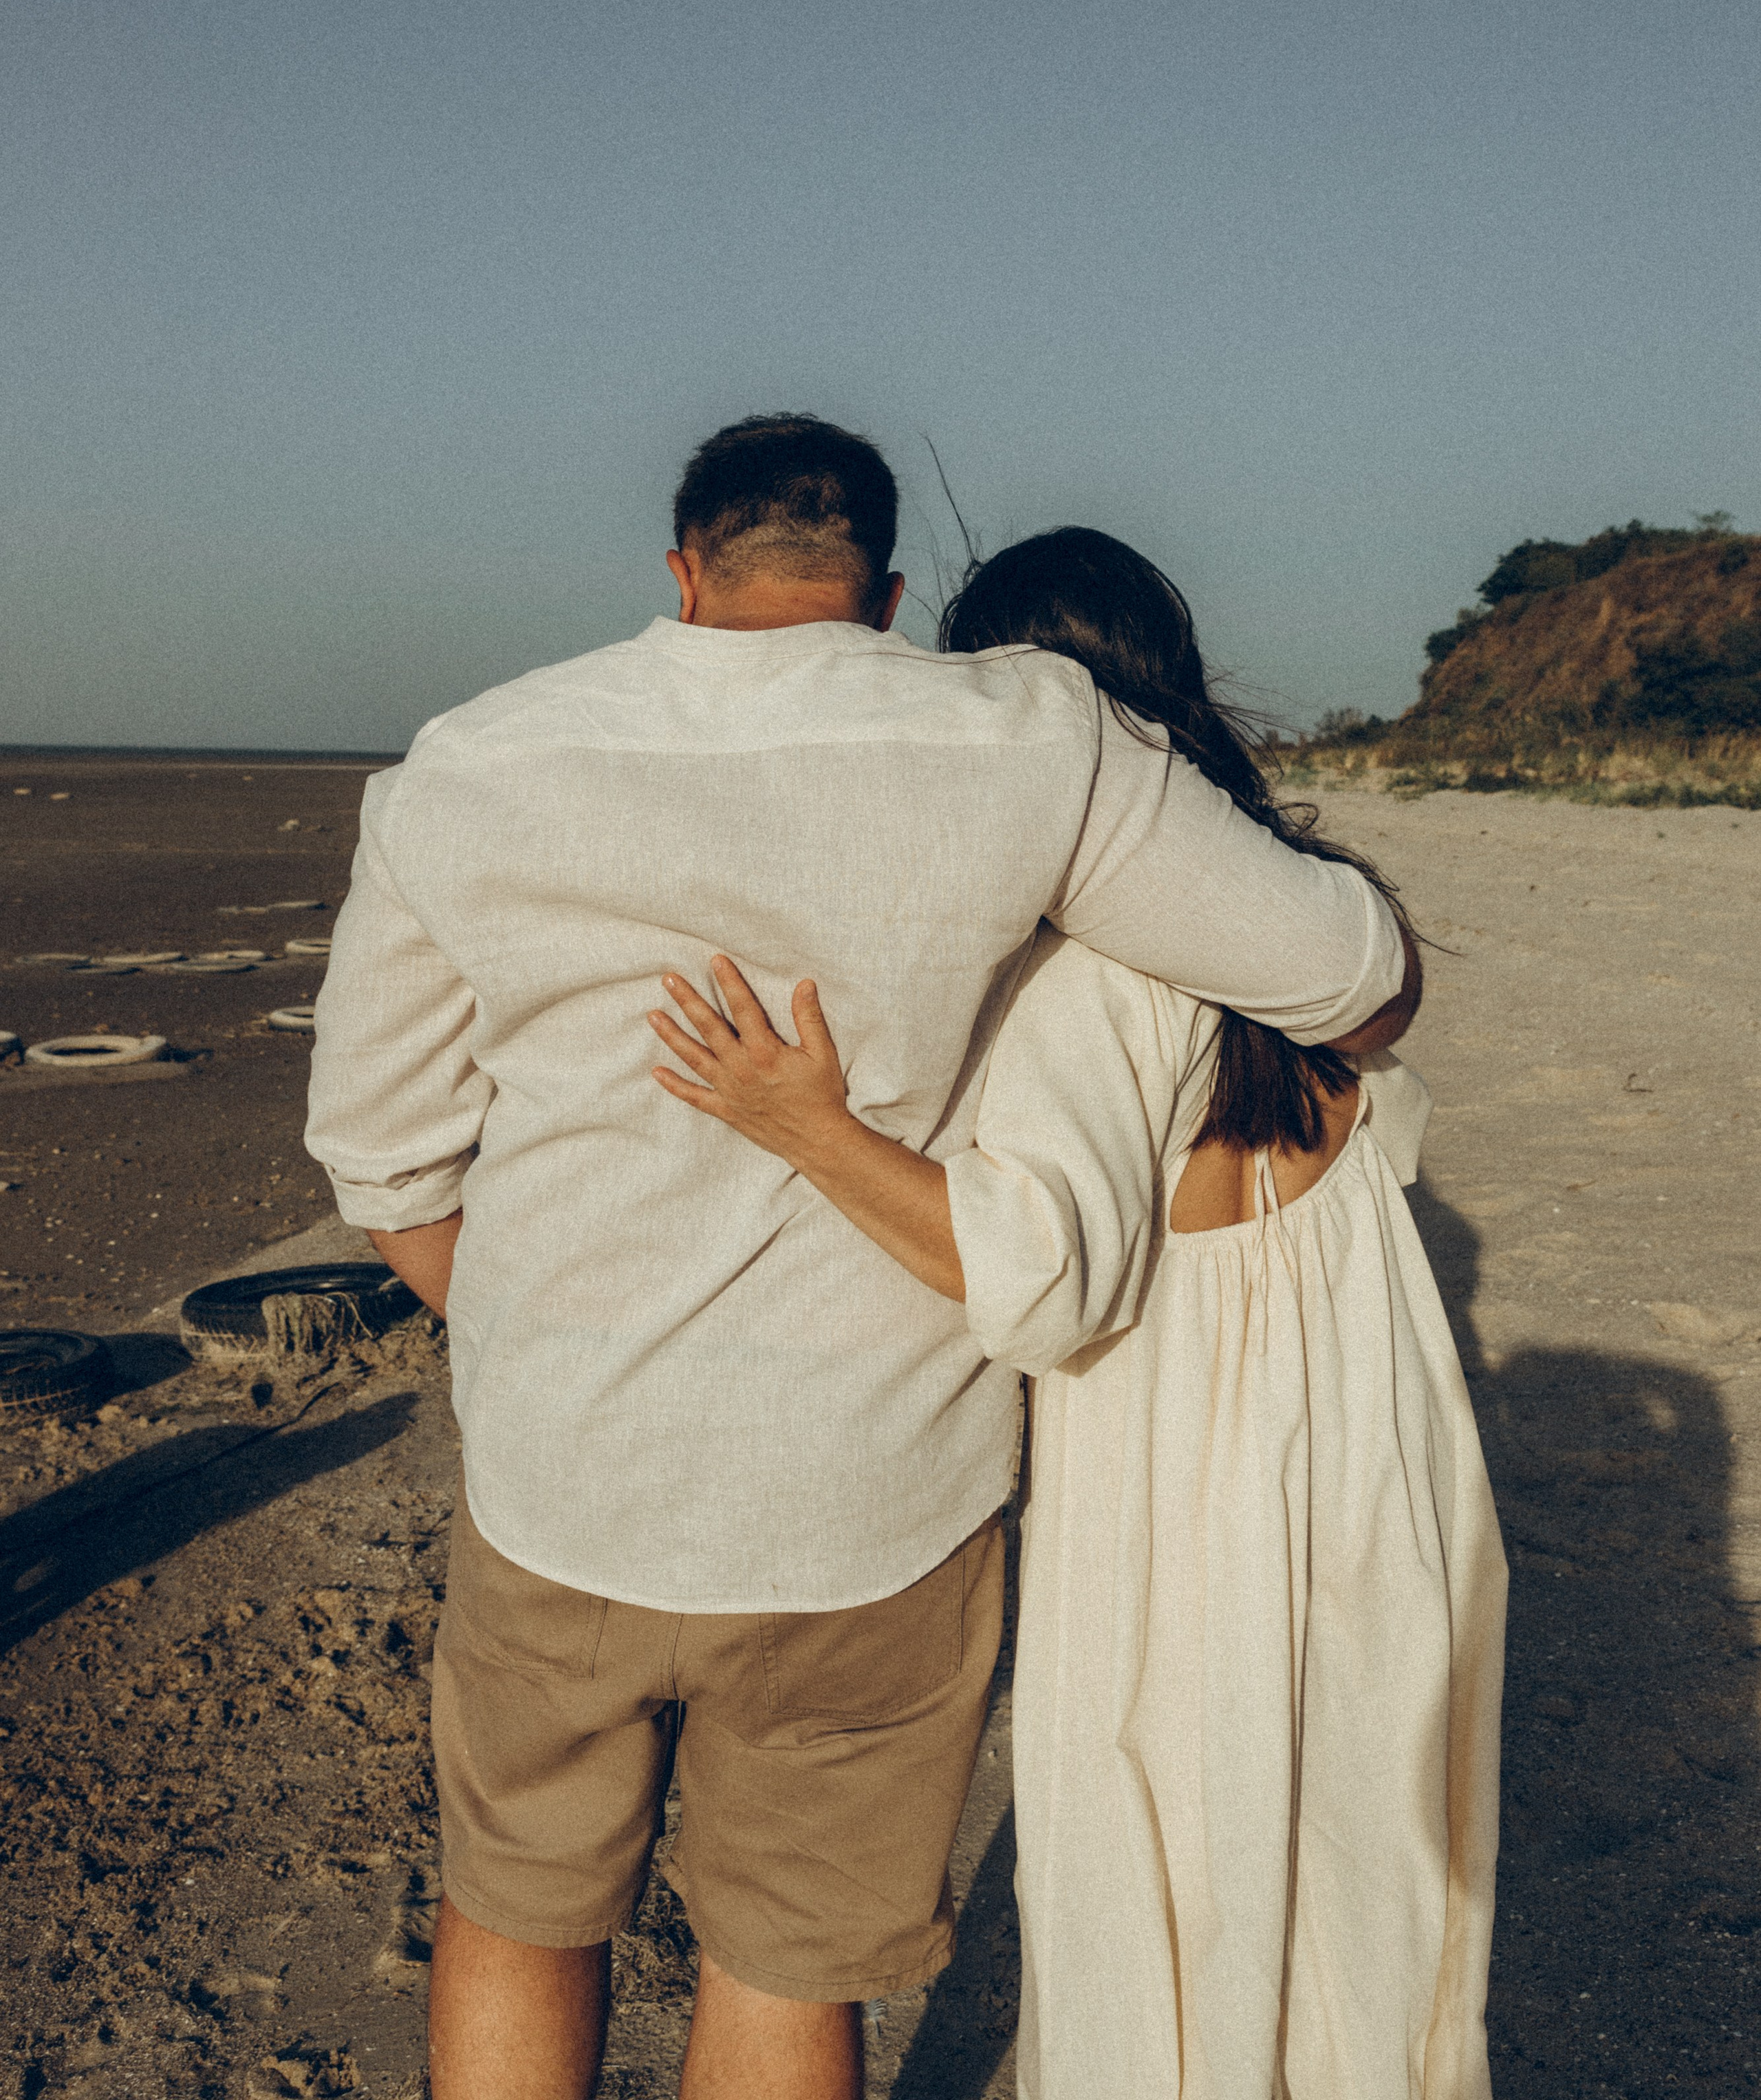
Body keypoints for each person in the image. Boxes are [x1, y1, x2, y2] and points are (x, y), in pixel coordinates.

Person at [305, 425, 1417, 2100]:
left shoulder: (467, 762)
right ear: (884, 596)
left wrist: (529, 1339)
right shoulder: (1033, 741)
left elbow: (383, 1160)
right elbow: (1352, 975)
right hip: (872, 1500)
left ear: (679, 573)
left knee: (522, 1913)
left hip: (563, 1479)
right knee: (788, 1966)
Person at [651, 527, 1504, 2100]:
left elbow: (1034, 1279)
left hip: (1188, 1482)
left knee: (1163, 1880)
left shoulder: (1087, 971)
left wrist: (807, 1129)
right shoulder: (1300, 913)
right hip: (1375, 1466)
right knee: (1355, 1885)